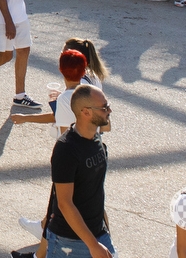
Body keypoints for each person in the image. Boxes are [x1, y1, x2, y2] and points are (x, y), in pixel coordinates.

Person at [45, 84, 113, 258]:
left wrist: (105, 233)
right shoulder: (66, 149)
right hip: (69, 242)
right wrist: (93, 245)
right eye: (104, 107)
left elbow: (95, 190)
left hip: (98, 235)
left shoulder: (96, 140)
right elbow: (64, 203)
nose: (109, 110)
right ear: (86, 112)